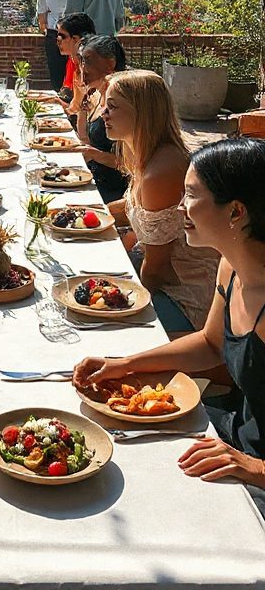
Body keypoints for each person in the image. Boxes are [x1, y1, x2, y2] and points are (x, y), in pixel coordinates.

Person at [73, 138, 265, 511]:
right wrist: (126, 364)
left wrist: (256, 468)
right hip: (235, 439)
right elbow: (210, 345)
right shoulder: (232, 268)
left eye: (191, 195)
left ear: (236, 211)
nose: (180, 207)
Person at [103, 70, 218, 331]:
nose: (104, 114)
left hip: (185, 297)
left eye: (112, 107)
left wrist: (120, 304)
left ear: (141, 112)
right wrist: (88, 211)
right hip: (161, 276)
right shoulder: (149, 154)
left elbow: (156, 270)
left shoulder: (161, 172)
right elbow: (135, 209)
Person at [75, 35, 129, 204]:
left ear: (110, 64)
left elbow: (130, 164)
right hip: (90, 178)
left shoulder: (122, 101)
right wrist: (82, 109)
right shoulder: (97, 95)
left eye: (88, 61)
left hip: (112, 192)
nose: (83, 67)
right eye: (82, 61)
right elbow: (85, 139)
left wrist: (94, 154)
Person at [35, 0, 77, 91]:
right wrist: (46, 31)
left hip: (76, 36)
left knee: (78, 74)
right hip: (54, 36)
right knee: (57, 76)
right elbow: (41, 13)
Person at [55, 12, 96, 113]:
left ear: (76, 39)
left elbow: (80, 109)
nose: (57, 41)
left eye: (62, 36)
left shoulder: (91, 68)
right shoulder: (74, 62)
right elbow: (75, 107)